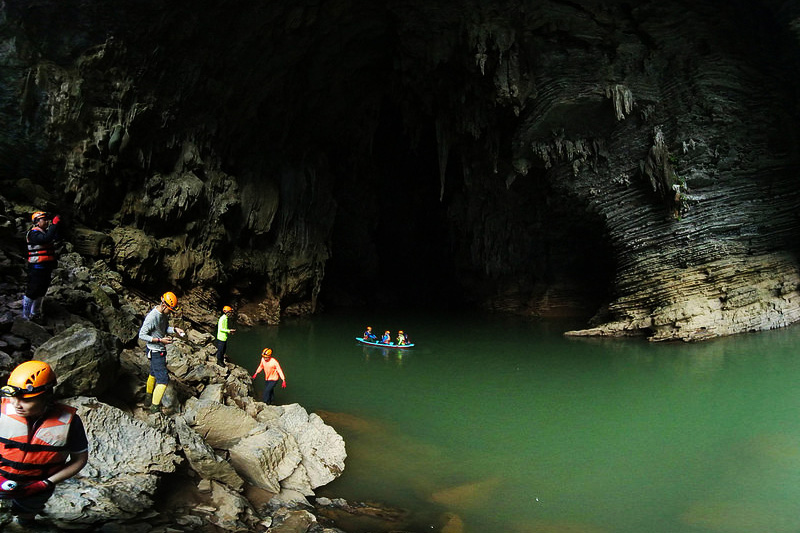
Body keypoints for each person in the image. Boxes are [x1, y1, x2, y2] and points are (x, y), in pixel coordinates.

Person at [0, 360, 88, 527]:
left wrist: (45, 483)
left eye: (25, 400)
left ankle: (26, 521)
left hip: (37, 484)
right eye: (13, 397)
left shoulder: (70, 422)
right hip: (0, 477)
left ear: (46, 396)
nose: (16, 404)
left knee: (29, 509)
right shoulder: (2, 411)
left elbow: (79, 459)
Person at [138, 292, 186, 413]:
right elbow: (142, 335)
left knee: (153, 373)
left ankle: (148, 399)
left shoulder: (163, 315)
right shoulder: (152, 317)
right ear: (164, 305)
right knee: (163, 380)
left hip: (157, 349)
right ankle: (154, 408)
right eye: (170, 310)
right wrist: (160, 340)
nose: (170, 312)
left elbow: (163, 329)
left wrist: (175, 329)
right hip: (156, 351)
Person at [23, 211, 61, 320]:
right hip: (36, 267)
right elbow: (45, 239)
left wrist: (57, 226)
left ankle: (34, 313)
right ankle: (25, 316)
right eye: (44, 219)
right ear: (37, 222)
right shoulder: (33, 233)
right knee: (32, 290)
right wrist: (54, 225)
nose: (47, 221)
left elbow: (56, 237)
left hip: (46, 267)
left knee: (42, 291)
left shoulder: (45, 232)